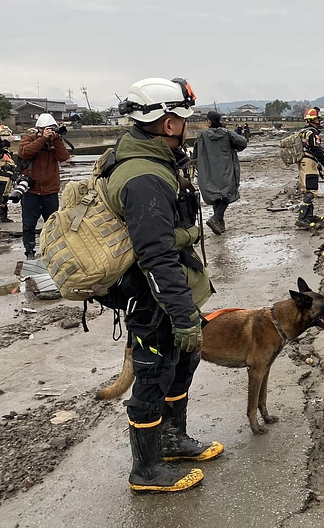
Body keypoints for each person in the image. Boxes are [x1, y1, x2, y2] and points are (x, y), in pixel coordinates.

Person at [107, 77, 220, 493]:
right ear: (169, 123)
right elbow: (154, 255)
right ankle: (147, 470)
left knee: (180, 365)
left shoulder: (155, 161)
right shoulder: (144, 177)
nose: (187, 127)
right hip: (150, 298)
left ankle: (173, 440)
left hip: (167, 296)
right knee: (153, 375)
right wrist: (182, 315)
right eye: (183, 119)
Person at [17, 113, 71, 259]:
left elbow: (64, 157)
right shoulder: (28, 139)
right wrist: (43, 138)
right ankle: (29, 251)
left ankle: (52, 250)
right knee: (29, 223)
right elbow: (25, 152)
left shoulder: (55, 142)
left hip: (50, 190)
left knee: (53, 224)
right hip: (31, 190)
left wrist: (56, 139)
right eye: (47, 129)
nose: (50, 131)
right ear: (39, 129)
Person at [194, 111, 248, 234]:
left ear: (208, 121)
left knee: (216, 195)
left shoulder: (202, 136)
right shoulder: (227, 134)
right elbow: (243, 143)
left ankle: (219, 223)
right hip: (226, 169)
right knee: (226, 194)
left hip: (209, 171)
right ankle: (216, 218)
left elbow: (195, 154)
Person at [296, 108, 324, 229]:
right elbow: (316, 150)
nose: (319, 120)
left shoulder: (303, 132)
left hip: (304, 162)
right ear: (312, 120)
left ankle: (308, 216)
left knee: (308, 189)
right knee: (311, 191)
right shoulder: (313, 133)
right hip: (309, 162)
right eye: (317, 118)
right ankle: (301, 219)